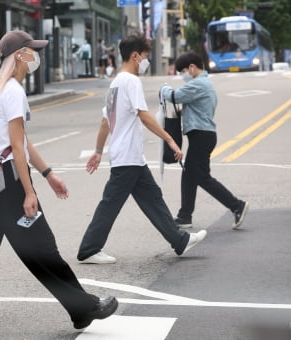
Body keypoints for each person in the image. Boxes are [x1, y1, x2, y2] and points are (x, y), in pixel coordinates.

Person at [0, 30, 118, 333]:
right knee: (42, 249)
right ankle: (84, 308)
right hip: (9, 183)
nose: (36, 55)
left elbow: (21, 141)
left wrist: (48, 175)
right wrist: (29, 191)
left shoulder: (1, 90)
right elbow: (17, 148)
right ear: (19, 55)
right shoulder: (13, 92)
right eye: (32, 50)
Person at [77, 34, 207, 265]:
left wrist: (98, 150)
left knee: (152, 199)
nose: (146, 62)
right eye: (146, 57)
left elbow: (105, 121)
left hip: (128, 156)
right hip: (127, 156)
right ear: (136, 56)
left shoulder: (116, 83)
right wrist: (169, 139)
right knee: (111, 203)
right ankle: (89, 249)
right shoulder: (131, 81)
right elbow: (143, 115)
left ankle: (179, 241)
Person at [161, 52, 248, 229]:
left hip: (202, 136)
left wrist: (164, 90)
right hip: (202, 136)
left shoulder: (199, 83)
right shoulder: (203, 82)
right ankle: (185, 216)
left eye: (183, 71)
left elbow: (175, 96)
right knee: (190, 175)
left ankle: (237, 205)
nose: (182, 75)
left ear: (192, 67)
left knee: (201, 177)